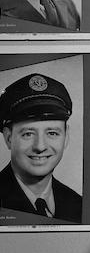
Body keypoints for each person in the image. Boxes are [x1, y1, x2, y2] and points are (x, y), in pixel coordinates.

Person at [0, 72, 82, 223]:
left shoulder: (78, 204)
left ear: (66, 136)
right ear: (8, 138)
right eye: (28, 134)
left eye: (52, 133)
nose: (40, 146)